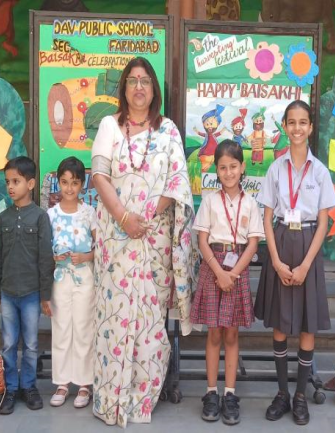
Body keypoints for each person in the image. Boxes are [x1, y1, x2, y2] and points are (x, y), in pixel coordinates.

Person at [90, 56, 195, 427]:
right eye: (132, 80)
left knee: (150, 323)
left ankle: (141, 399)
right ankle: (111, 399)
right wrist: (124, 217)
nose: (138, 87)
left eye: (145, 81)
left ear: (154, 90)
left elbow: (177, 183)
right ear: (124, 87)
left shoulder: (168, 130)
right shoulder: (109, 125)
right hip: (115, 242)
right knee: (114, 319)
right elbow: (99, 176)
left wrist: (144, 219)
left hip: (153, 241)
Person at [254, 101, 335, 426]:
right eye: (292, 122)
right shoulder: (276, 169)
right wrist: (275, 261)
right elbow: (266, 217)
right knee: (279, 322)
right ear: (285, 127)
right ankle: (282, 393)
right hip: (280, 243)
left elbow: (324, 221)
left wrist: (305, 266)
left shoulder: (320, 172)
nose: (297, 128)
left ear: (311, 127)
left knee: (305, 324)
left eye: (303, 122)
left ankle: (301, 395)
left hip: (307, 246)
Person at [190, 139, 263, 426]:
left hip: (238, 269)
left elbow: (253, 244)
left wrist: (232, 274)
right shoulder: (209, 201)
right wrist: (219, 272)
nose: (229, 172)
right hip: (212, 268)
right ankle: (211, 392)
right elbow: (202, 240)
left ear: (242, 167)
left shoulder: (251, 203)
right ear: (216, 170)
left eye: (233, 166)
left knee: (231, 334)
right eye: (223, 167)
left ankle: (230, 394)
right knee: (214, 334)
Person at [0, 156, 55, 415]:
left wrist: (45, 295)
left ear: (30, 184)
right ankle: (10, 388)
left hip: (31, 294)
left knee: (30, 344)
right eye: (7, 182)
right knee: (8, 344)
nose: (10, 186)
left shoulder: (40, 217)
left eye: (16, 181)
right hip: (7, 293)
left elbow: (45, 258)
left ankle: (28, 386)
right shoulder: (4, 218)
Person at [47, 156, 97, 409]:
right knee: (62, 327)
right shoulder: (50, 215)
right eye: (65, 182)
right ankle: (62, 382)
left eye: (74, 183)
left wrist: (86, 256)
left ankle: (85, 383)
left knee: (84, 328)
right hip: (60, 278)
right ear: (58, 182)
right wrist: (53, 257)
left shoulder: (89, 213)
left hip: (85, 277)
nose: (69, 188)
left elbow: (102, 248)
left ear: (82, 185)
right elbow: (43, 250)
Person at [194, 104, 226, 172]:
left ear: (217, 125)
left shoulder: (214, 135)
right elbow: (201, 134)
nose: (209, 126)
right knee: (205, 165)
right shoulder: (206, 135)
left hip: (214, 153)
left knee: (215, 165)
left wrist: (223, 129)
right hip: (206, 153)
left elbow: (219, 133)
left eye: (211, 124)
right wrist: (196, 131)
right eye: (207, 124)